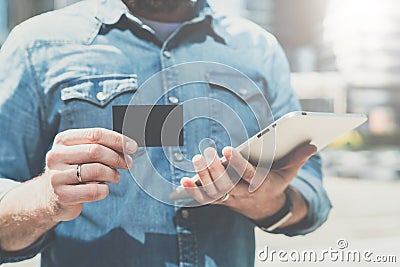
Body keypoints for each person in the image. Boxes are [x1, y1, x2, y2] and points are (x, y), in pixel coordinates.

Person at [0, 0, 332, 266]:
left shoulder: (258, 48)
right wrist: (47, 198)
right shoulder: (36, 46)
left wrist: (268, 202)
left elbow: (311, 194)